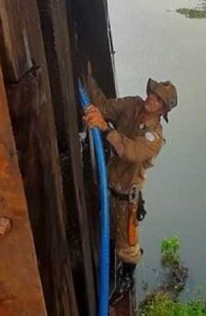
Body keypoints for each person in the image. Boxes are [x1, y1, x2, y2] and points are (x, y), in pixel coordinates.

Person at [84, 64, 178, 294]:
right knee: (103, 230)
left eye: (158, 99)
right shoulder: (133, 104)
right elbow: (106, 106)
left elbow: (130, 152)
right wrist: (87, 78)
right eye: (153, 94)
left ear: (163, 110)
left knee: (127, 246)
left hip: (127, 196)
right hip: (108, 184)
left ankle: (127, 279)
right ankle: (106, 268)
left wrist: (106, 129)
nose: (151, 99)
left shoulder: (154, 137)